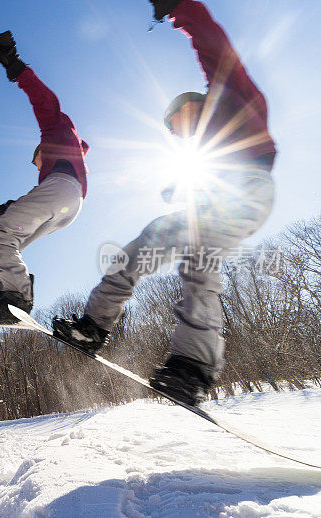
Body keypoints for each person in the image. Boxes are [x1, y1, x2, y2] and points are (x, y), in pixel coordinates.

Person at [52, 0, 276, 406]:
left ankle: (194, 365)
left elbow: (213, 45)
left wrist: (180, 8)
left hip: (249, 193)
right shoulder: (208, 143)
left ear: (190, 105)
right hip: (214, 203)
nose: (180, 134)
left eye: (178, 124)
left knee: (198, 262)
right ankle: (94, 326)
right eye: (174, 133)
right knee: (142, 245)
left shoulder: (230, 97)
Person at [0, 31, 88, 321]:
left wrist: (16, 66)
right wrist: (11, 209)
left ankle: (18, 296)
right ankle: (3, 292)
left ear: (42, 151)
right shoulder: (66, 157)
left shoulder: (54, 133)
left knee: (2, 232)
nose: (36, 167)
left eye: (35, 161)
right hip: (69, 207)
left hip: (62, 191)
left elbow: (45, 99)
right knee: (10, 240)